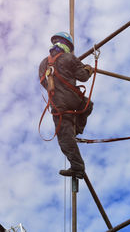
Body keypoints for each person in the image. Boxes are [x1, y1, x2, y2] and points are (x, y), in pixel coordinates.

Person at [39, 32, 94, 179]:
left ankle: (77, 168)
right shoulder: (69, 58)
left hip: (58, 105)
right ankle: (77, 129)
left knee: (65, 138)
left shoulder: (43, 64)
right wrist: (89, 69)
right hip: (74, 99)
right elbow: (83, 77)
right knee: (87, 105)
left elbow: (44, 83)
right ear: (68, 47)